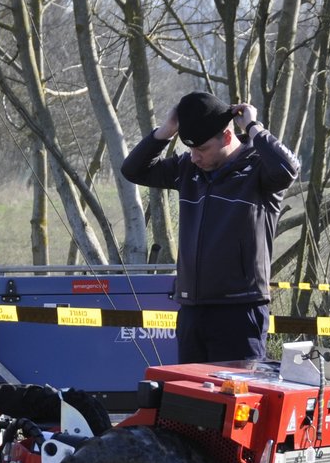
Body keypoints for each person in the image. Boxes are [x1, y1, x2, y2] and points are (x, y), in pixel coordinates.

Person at [120, 91, 300, 363]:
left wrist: (253, 127)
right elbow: (133, 170)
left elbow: (288, 168)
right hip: (192, 309)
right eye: (190, 149)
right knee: (193, 402)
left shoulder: (258, 169)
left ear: (227, 137)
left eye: (201, 149)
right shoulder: (187, 169)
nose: (194, 157)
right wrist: (166, 131)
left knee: (236, 399)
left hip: (240, 309)